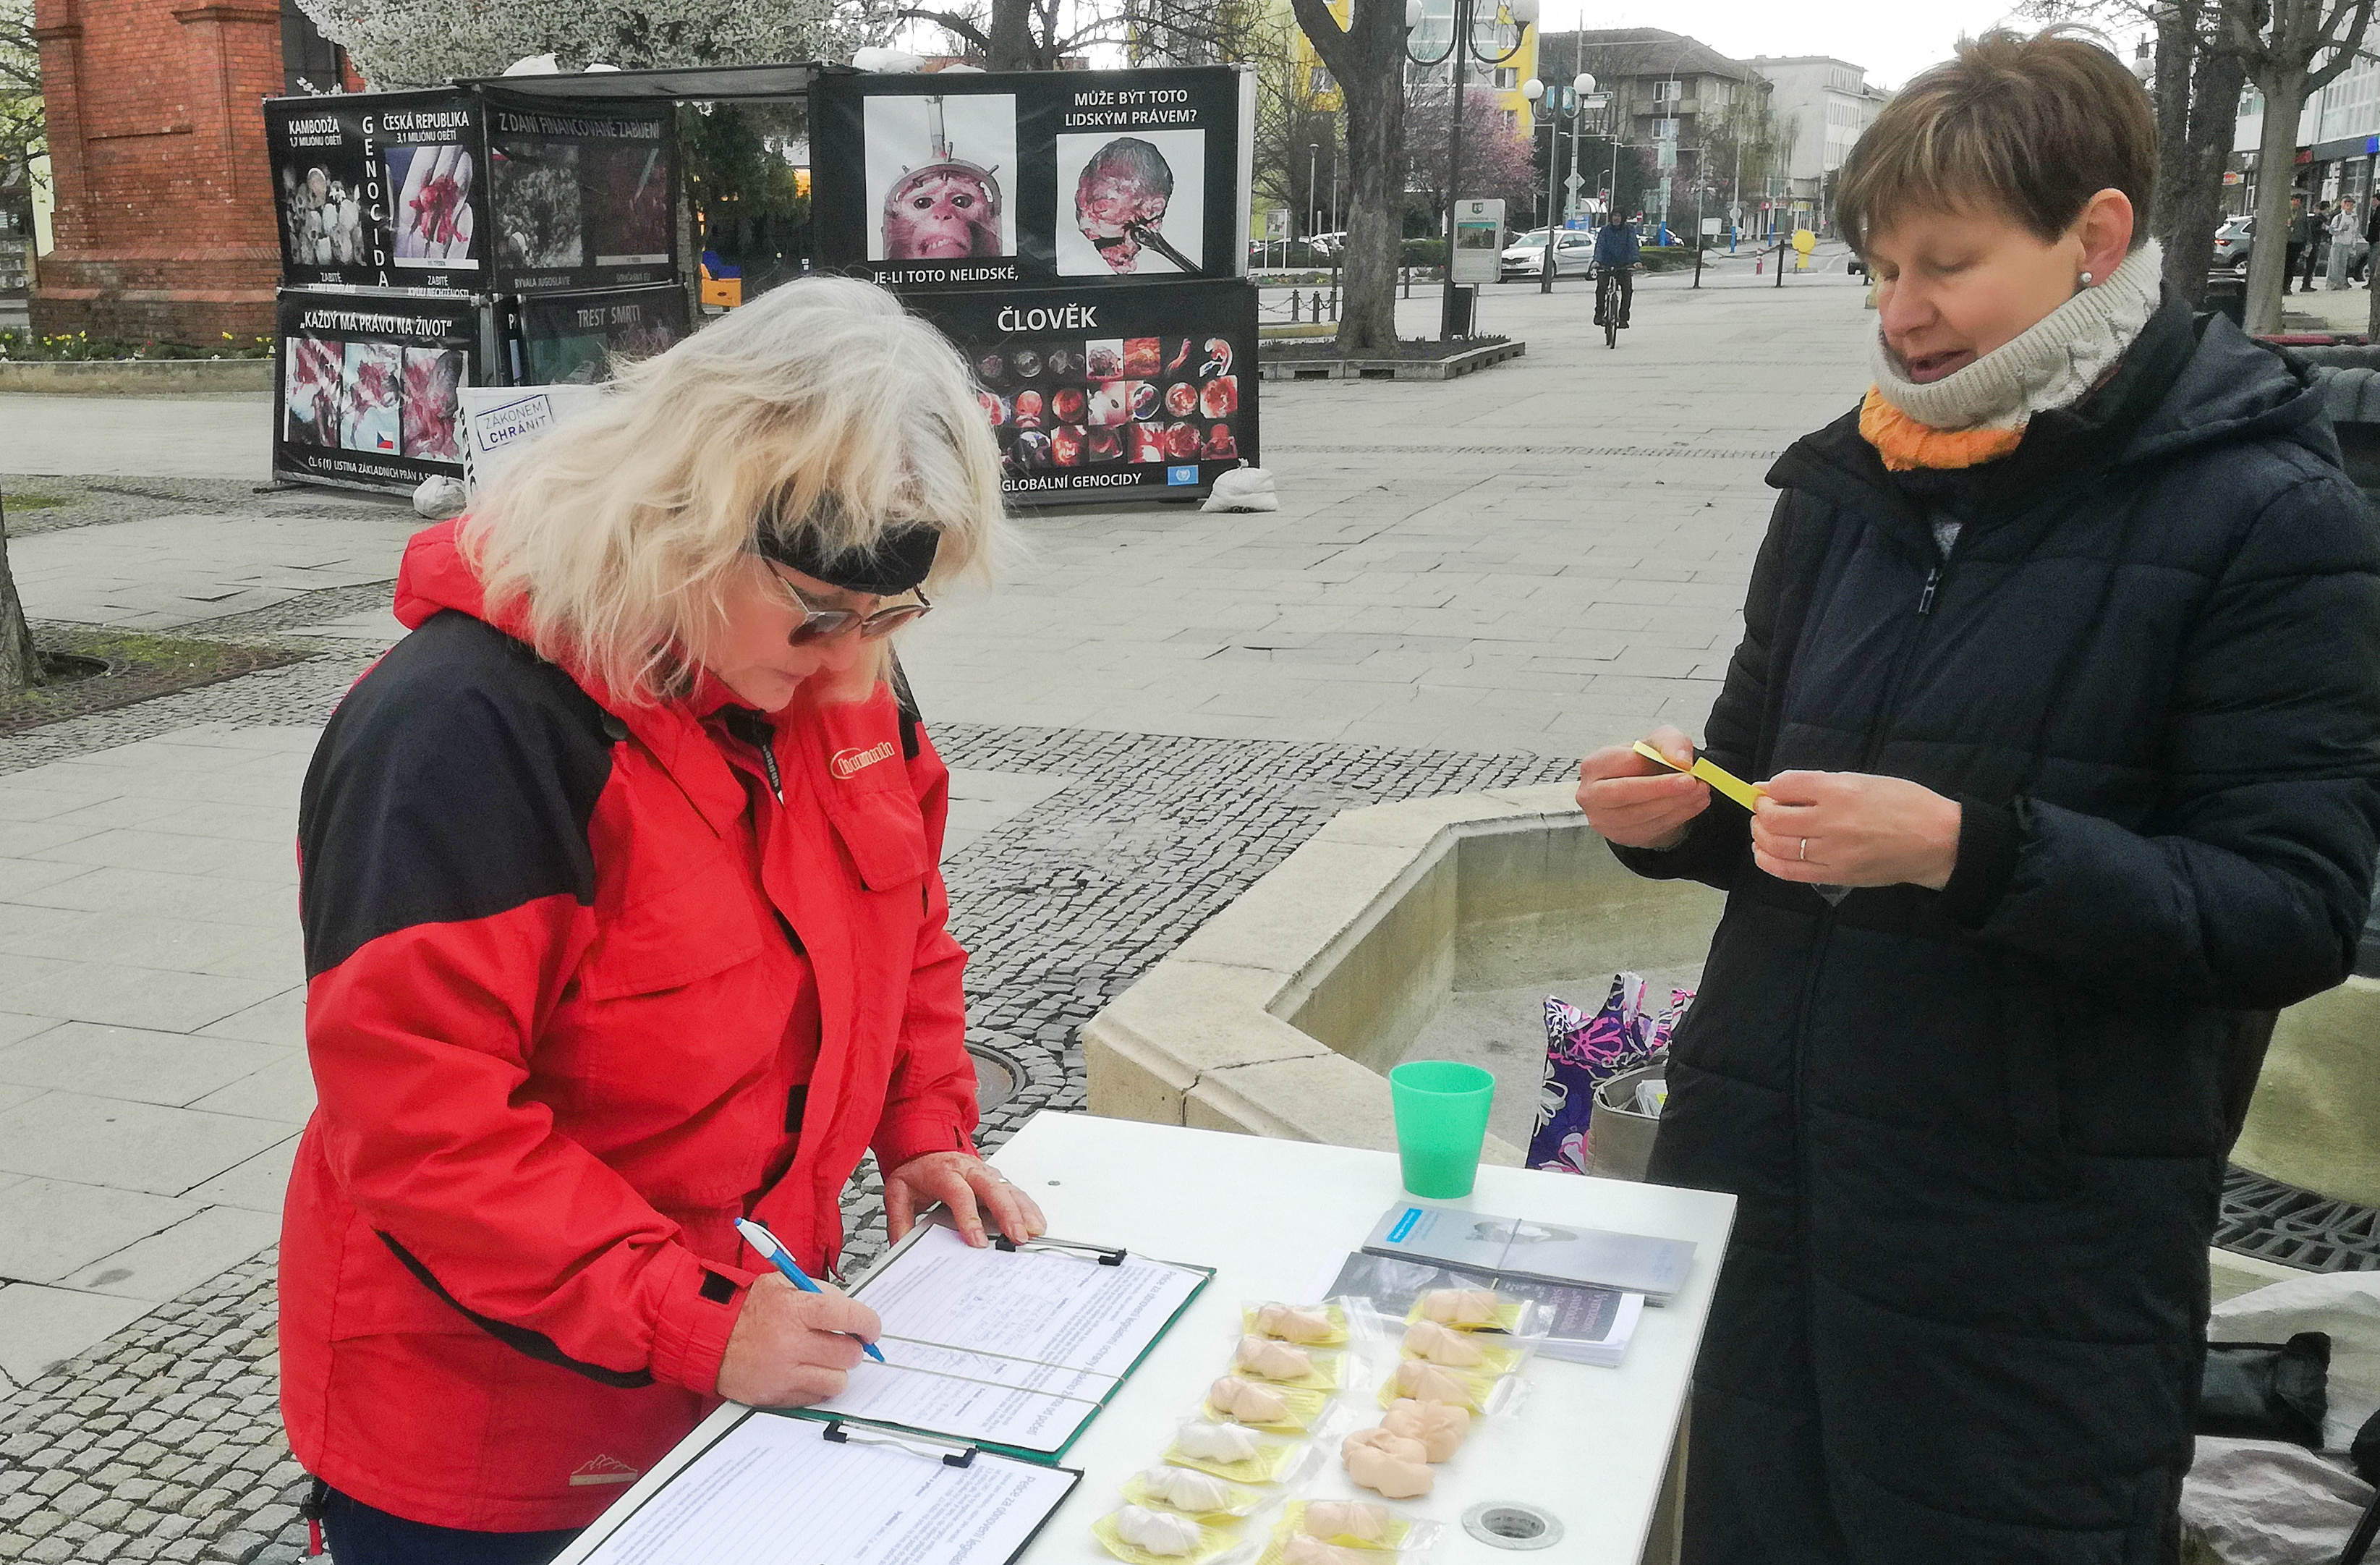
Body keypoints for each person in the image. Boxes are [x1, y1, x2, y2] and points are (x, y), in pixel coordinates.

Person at [1573, 29, 2380, 1564]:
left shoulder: (2269, 511)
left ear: (2096, 236)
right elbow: (1762, 785)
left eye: (1947, 264)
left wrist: (1972, 851)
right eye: (1881, 269)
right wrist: (1685, 818)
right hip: (1769, 1202)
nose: (1903, 313)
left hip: (2026, 1266)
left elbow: (2291, 908)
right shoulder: (1848, 486)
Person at [280, 277, 1044, 1564]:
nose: (847, 656)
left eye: (887, 619)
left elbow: (905, 917)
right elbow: (422, 1123)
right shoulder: (467, 725)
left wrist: (922, 1123)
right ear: (689, 522)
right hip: (495, 1436)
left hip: (744, 1352)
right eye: (818, 616)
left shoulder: (835, 666)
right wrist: (694, 1319)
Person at [1594, 214, 1641, 328]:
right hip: (1606, 264)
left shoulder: (1629, 230)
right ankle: (1599, 313)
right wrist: (1597, 261)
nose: (1616, 218)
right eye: (1614, 216)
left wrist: (1635, 261)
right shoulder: (1605, 230)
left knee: (1627, 290)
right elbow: (1600, 246)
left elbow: (1633, 246)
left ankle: (1623, 318)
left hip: (1623, 266)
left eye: (1619, 216)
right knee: (1601, 289)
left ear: (1623, 218)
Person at [2332, 195, 2363, 289]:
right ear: (2344, 206)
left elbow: (2355, 232)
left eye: (2351, 206)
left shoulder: (2354, 219)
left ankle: (2341, 282)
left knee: (2343, 264)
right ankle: (2333, 283)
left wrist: (2353, 245)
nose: (2349, 208)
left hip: (2347, 244)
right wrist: (2341, 230)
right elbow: (2332, 230)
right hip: (2337, 243)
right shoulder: (2338, 217)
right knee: (2335, 264)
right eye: (2348, 205)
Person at [2305, 198, 2332, 291]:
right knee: (2311, 264)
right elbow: (2313, 230)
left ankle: (2307, 283)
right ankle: (2306, 284)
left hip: (2315, 242)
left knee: (2311, 264)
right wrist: (2324, 229)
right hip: (2314, 243)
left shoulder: (2318, 218)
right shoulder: (2318, 219)